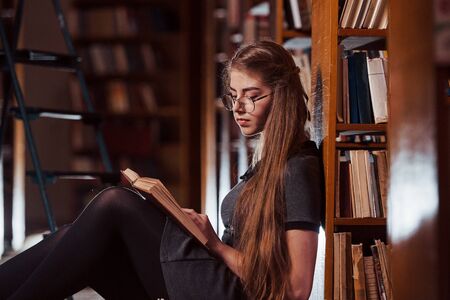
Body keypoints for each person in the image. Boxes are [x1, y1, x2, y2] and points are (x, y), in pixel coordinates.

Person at [0, 40, 323, 300]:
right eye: (234, 96)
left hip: (228, 290)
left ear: (281, 97)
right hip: (215, 279)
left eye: (252, 97)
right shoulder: (270, 162)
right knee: (88, 246)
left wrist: (215, 246)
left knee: (115, 202)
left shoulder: (298, 170)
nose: (238, 108)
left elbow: (295, 290)